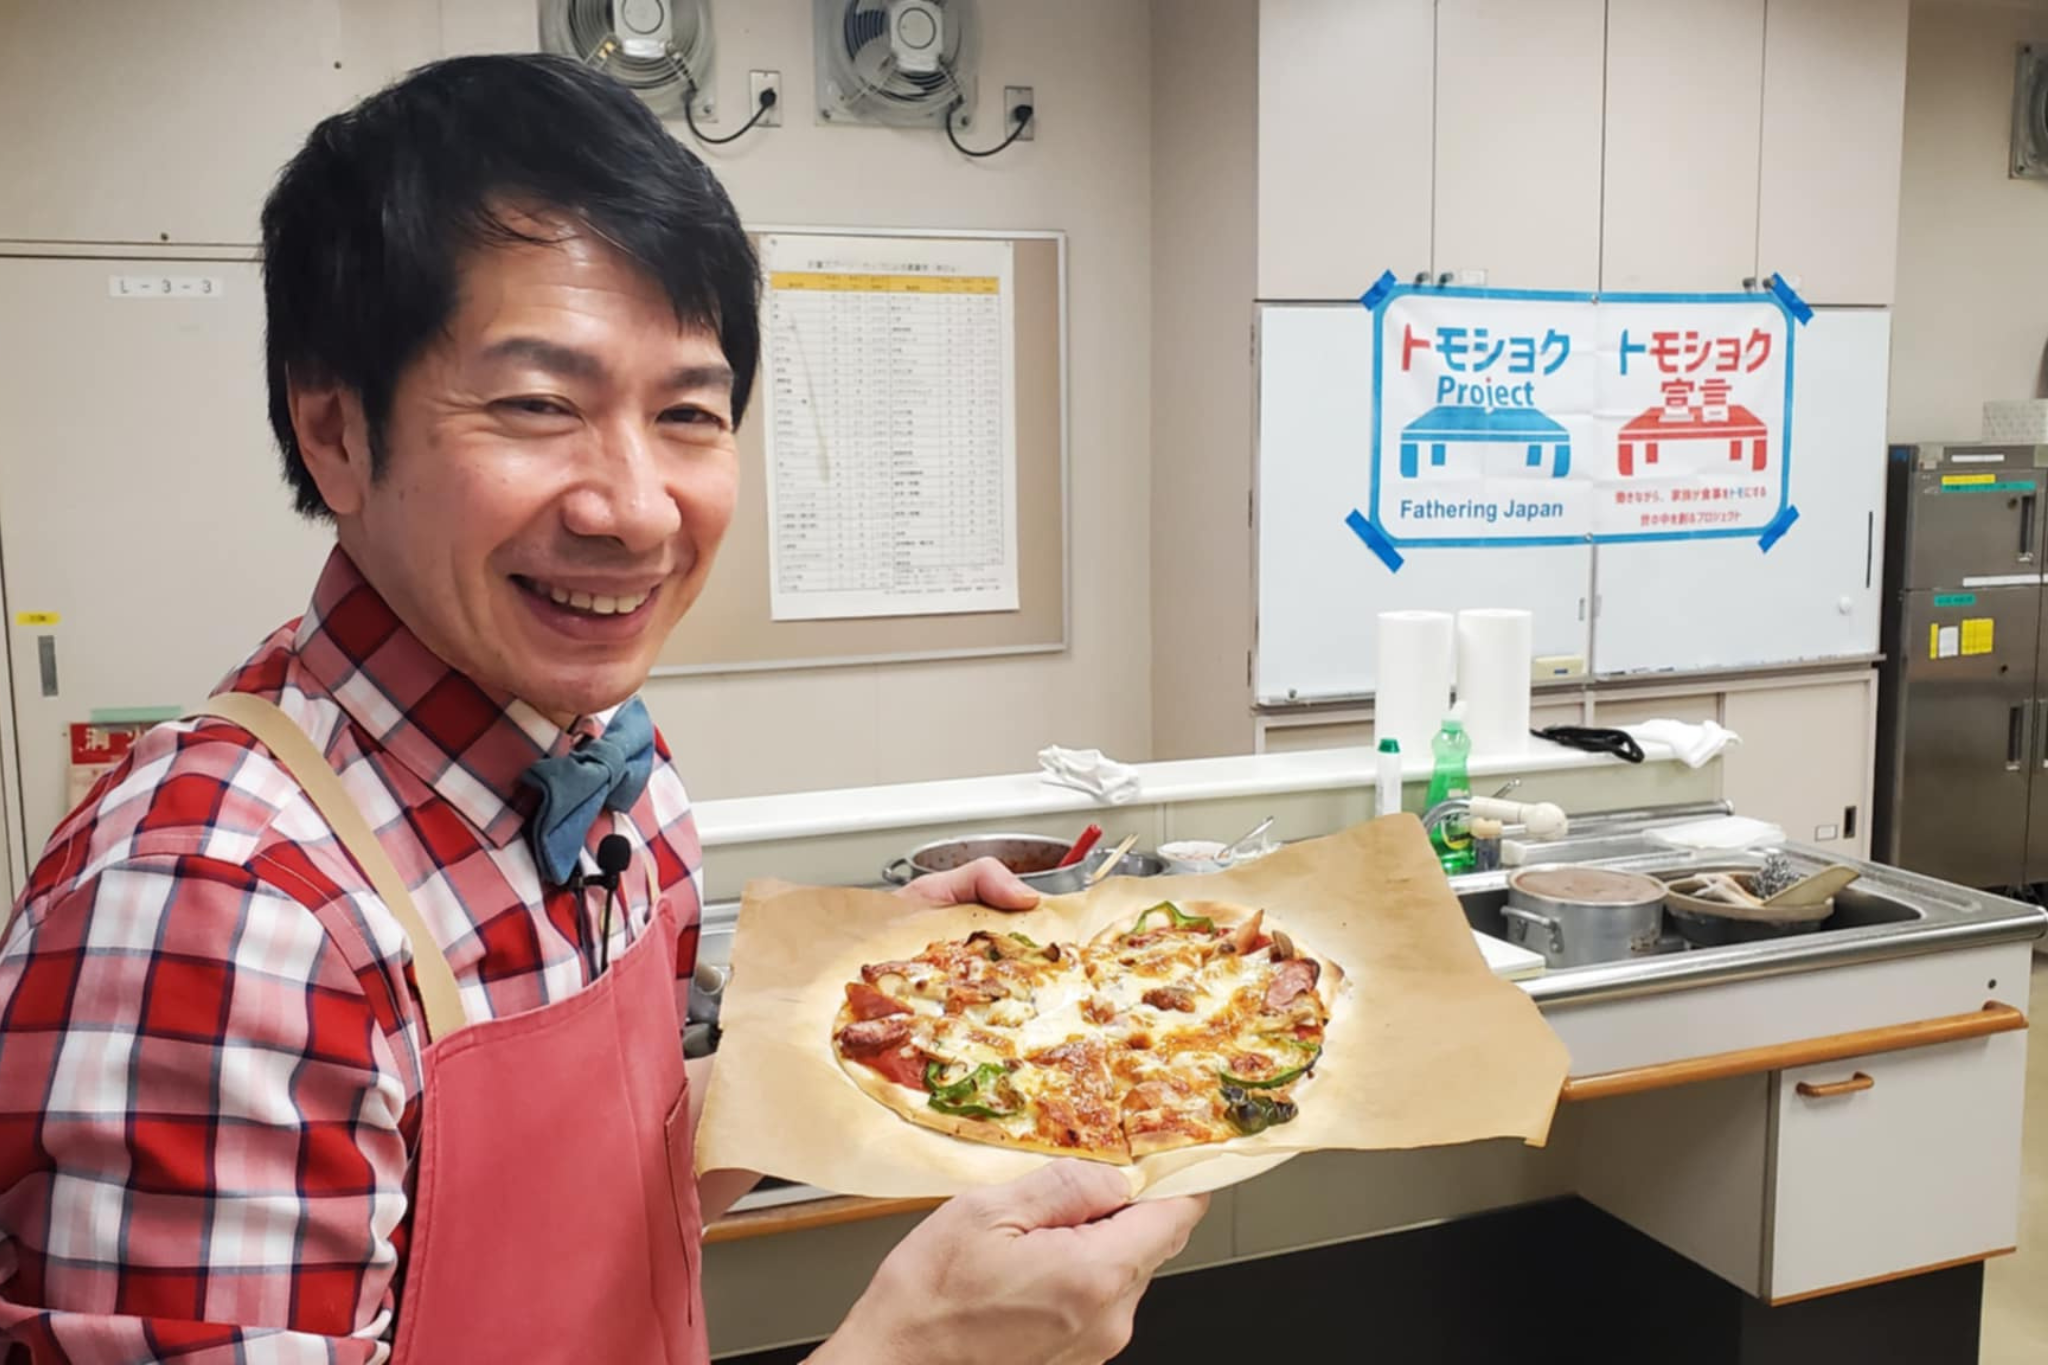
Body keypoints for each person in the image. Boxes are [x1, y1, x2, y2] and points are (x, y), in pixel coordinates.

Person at [0, 54, 1204, 1365]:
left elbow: (574, 1215)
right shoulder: (223, 913)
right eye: (538, 406)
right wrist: (914, 1354)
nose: (633, 508)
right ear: (336, 430)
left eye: (687, 412)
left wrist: (833, 1028)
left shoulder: (621, 775)